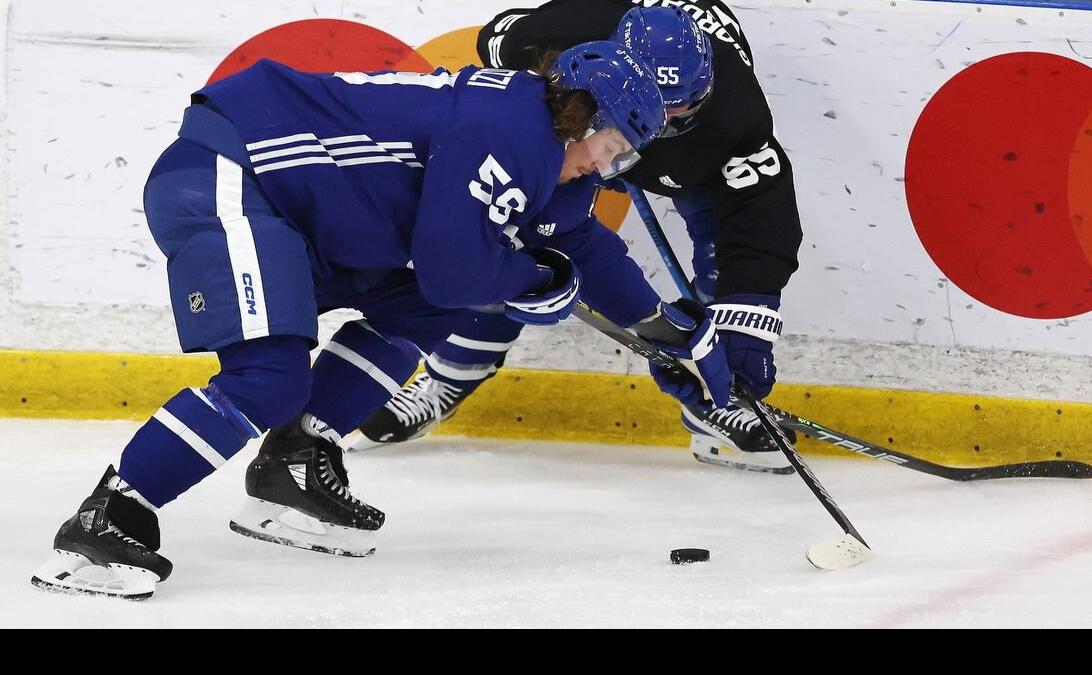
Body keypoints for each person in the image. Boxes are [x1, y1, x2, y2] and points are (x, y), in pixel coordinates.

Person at [31, 41, 731, 599]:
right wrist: (530, 281)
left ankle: (296, 459)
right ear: (580, 115)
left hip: (306, 215)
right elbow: (458, 263)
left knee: (432, 304)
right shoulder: (510, 129)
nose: (599, 170)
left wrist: (670, 331)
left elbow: (579, 245)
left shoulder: (546, 147)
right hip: (232, 174)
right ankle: (111, 513)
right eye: (605, 151)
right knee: (269, 379)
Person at [359, 1, 804, 473]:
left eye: (683, 109)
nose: (665, 123)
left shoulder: (733, 116)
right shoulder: (570, 34)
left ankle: (715, 402)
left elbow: (760, 216)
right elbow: (501, 40)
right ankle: (453, 373)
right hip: (588, 127)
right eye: (659, 108)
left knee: (727, 250)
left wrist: (745, 321)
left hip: (685, 162)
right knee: (507, 228)